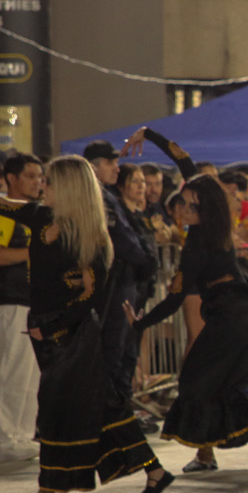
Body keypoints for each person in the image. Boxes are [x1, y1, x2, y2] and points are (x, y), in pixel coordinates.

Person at [0, 160, 173, 493]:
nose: (43, 186)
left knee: (64, 406)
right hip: (45, 327)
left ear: (68, 188)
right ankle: (151, 472)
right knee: (91, 406)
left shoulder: (91, 237)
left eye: (50, 181)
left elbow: (91, 297)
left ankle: (48, 487)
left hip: (74, 332)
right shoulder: (39, 217)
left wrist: (53, 327)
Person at [128, 129, 248, 473]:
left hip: (232, 317)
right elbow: (185, 162)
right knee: (215, 386)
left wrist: (139, 323)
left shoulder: (196, 247)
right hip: (247, 314)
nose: (182, 208)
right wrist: (150, 136)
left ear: (202, 210)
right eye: (183, 202)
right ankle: (209, 453)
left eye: (190, 206)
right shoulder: (217, 226)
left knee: (198, 384)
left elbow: (174, 301)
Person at [0, 151, 45, 463]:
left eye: (40, 177)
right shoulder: (3, 212)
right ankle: (5, 439)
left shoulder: (35, 212)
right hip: (9, 302)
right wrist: (33, 253)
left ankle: (23, 434)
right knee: (10, 373)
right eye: (31, 176)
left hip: (32, 301)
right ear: (12, 179)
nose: (37, 182)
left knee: (29, 376)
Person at [82, 140, 156, 419]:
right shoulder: (98, 197)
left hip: (127, 282)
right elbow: (123, 240)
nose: (116, 168)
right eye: (111, 163)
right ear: (95, 166)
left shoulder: (107, 195)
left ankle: (121, 413)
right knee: (115, 351)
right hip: (115, 284)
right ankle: (114, 417)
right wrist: (146, 259)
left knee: (126, 352)